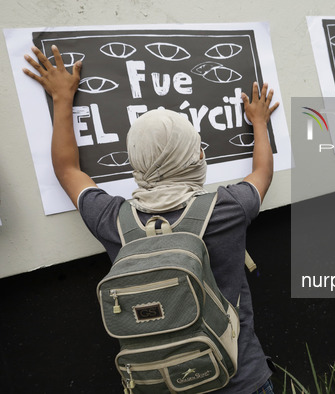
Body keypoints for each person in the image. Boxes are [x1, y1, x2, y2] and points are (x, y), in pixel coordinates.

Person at [23, 44, 278, 394]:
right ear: (197, 156)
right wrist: (259, 122)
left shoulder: (114, 219)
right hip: (242, 378)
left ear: (135, 162)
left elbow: (67, 168)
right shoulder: (229, 208)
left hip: (161, 383)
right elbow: (263, 171)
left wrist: (62, 98)